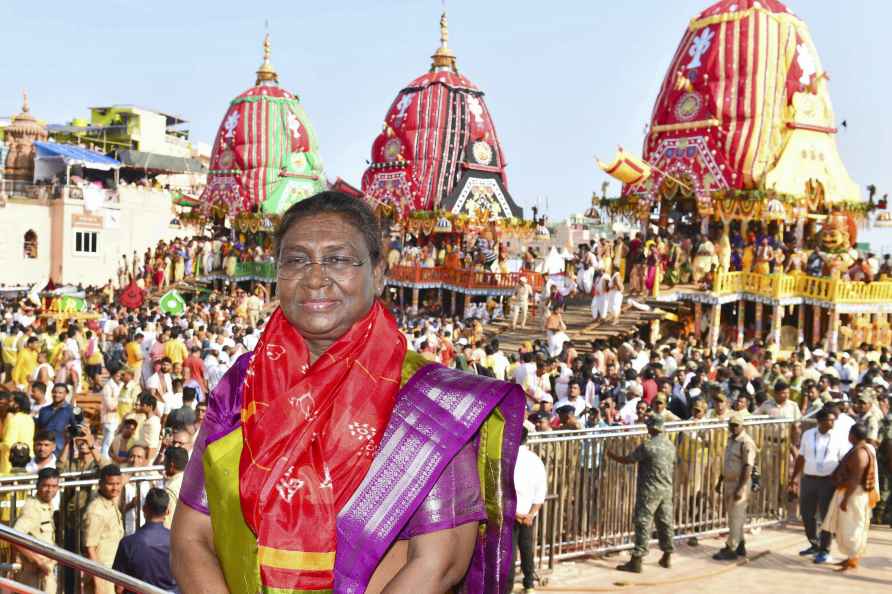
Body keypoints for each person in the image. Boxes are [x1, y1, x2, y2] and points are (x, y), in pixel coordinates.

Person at [171, 192, 524, 594]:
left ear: (378, 272)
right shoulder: (244, 383)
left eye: (338, 259)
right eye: (296, 260)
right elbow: (190, 537)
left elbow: (439, 562)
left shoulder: (428, 402)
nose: (316, 277)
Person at [606, 415, 675, 573]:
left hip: (649, 490)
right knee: (665, 522)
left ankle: (637, 559)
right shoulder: (670, 445)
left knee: (643, 522)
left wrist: (612, 456)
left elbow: (628, 460)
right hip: (666, 489)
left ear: (652, 427)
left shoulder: (648, 446)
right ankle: (667, 555)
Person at [788, 407, 849, 563]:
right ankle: (814, 543)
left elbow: (844, 461)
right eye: (829, 420)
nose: (832, 422)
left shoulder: (838, 437)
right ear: (820, 421)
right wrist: (794, 477)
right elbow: (801, 458)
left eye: (833, 420)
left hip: (828, 481)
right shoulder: (808, 435)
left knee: (826, 516)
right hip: (808, 479)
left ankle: (824, 549)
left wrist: (840, 480)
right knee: (807, 514)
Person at [821, 422, 881, 571]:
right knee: (847, 526)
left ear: (852, 435)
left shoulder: (860, 453)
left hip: (854, 495)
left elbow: (854, 480)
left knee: (852, 528)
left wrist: (845, 500)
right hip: (850, 493)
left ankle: (853, 560)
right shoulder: (859, 449)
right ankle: (849, 558)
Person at [112, 488, 179, 593]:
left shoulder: (128, 543)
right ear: (167, 511)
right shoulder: (177, 541)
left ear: (144, 509)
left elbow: (119, 587)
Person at [713, 413, 757, 560]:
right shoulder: (731, 440)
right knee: (734, 516)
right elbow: (727, 462)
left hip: (740, 483)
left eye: (736, 425)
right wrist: (720, 481)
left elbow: (747, 467)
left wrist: (741, 488)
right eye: (731, 424)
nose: (733, 427)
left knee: (736, 516)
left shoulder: (746, 442)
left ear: (742, 425)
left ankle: (731, 547)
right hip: (729, 481)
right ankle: (740, 544)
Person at [510, 423, 547, 594]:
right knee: (527, 549)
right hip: (527, 515)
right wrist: (531, 514)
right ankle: (529, 584)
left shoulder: (507, 459)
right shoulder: (535, 460)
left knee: (508, 554)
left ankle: (507, 588)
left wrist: (516, 514)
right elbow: (541, 491)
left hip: (510, 514)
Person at [13, 467, 60, 593]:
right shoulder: (32, 508)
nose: (50, 490)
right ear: (38, 486)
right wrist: (38, 562)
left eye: (54, 486)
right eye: (46, 485)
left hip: (46, 570)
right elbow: (15, 538)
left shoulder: (47, 505)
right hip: (35, 573)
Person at [84, 464, 125, 594]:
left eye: (118, 484)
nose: (115, 488)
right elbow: (90, 547)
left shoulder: (111, 502)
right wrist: (99, 580)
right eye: (110, 484)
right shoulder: (96, 510)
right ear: (101, 484)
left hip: (113, 570)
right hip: (102, 572)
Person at [36, 383, 76, 457]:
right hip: (44, 450)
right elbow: (38, 430)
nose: (57, 395)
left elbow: (76, 430)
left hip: (61, 451)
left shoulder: (71, 410)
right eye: (55, 392)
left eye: (60, 393)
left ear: (66, 394)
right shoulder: (44, 410)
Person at [162, 446, 188, 529]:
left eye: (165, 461)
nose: (163, 464)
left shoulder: (170, 489)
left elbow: (168, 521)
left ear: (171, 465)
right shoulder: (192, 480)